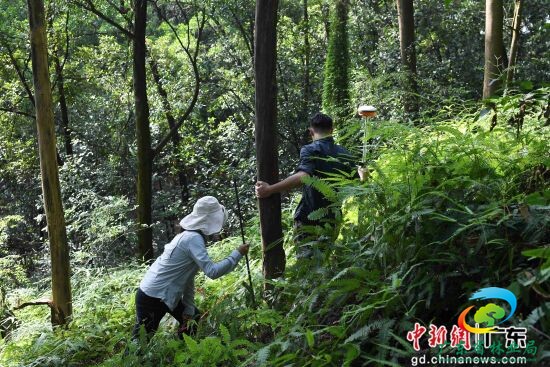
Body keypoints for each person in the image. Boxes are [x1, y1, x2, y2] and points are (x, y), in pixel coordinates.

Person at [132, 196, 249, 340]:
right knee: (139, 344)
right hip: (153, 297)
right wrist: (237, 254)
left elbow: (187, 277)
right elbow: (212, 272)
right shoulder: (193, 238)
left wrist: (188, 307)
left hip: (158, 293)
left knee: (192, 317)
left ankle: (185, 352)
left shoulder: (189, 236)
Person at [255, 112, 365, 258]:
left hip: (308, 220)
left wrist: (270, 189)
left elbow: (304, 176)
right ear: (332, 130)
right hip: (332, 219)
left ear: (311, 131)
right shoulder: (345, 153)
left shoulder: (310, 149)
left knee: (306, 266)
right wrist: (364, 176)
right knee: (323, 263)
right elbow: (357, 186)